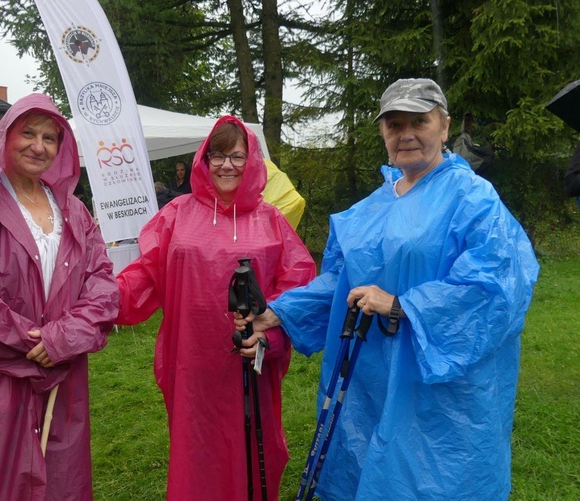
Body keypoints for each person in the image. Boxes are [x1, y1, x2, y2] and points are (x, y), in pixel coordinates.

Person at [236, 78, 539, 500]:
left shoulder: (472, 198)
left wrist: (404, 305)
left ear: (445, 126)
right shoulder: (373, 206)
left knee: (432, 479)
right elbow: (341, 283)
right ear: (383, 133)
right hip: (372, 376)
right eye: (395, 125)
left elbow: (498, 285)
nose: (407, 134)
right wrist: (280, 313)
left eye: (420, 121)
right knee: (375, 469)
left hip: (439, 390)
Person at [115, 116, 316, 500]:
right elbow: (145, 273)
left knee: (250, 449)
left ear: (252, 160)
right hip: (192, 364)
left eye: (237, 156)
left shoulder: (270, 219)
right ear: (203, 161)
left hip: (249, 362)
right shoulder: (177, 214)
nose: (227, 165)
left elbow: (298, 285)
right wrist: (103, 299)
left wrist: (269, 336)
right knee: (198, 450)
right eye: (218, 155)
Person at [0, 94, 119, 500]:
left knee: (62, 481)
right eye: (28, 133)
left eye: (50, 137)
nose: (39, 146)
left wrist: (63, 339)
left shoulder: (72, 210)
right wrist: (34, 343)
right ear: (5, 137)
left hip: (63, 379)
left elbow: (102, 281)